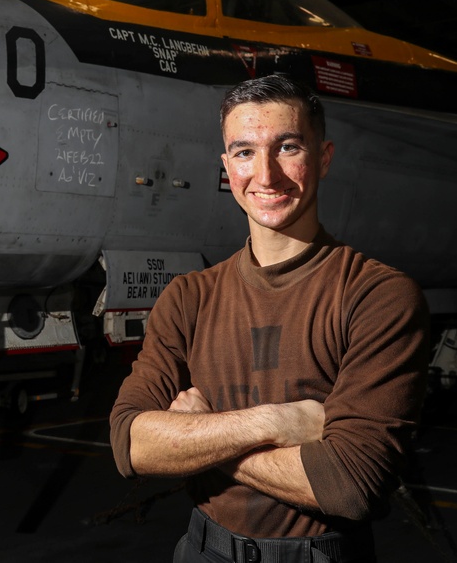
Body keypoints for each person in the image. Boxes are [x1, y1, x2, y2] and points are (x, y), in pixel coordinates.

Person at [110, 74, 431, 562]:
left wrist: (201, 435)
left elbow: (351, 484)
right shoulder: (188, 297)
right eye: (243, 152)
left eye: (286, 148)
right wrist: (275, 422)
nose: (265, 176)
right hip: (201, 550)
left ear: (323, 158)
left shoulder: (377, 295)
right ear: (226, 167)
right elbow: (131, 444)